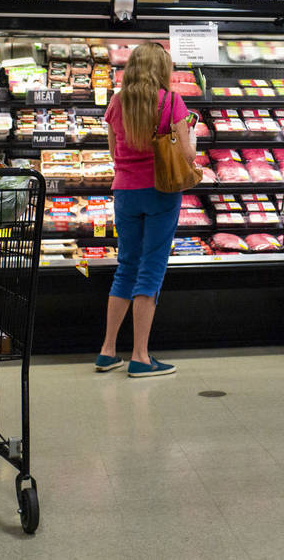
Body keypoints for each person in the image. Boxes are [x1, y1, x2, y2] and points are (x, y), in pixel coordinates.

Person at [96, 42, 196, 378]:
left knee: (126, 267)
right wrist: (191, 132)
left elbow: (113, 152)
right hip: (160, 192)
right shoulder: (171, 101)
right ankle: (140, 356)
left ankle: (107, 351)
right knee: (151, 271)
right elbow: (187, 154)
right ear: (161, 69)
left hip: (125, 191)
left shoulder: (116, 101)